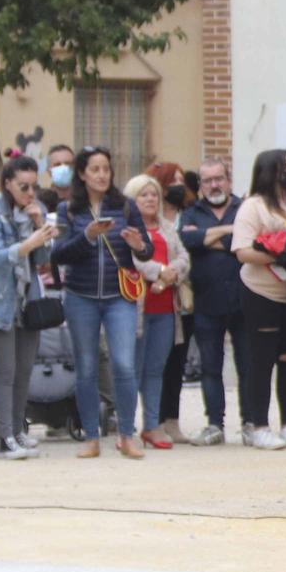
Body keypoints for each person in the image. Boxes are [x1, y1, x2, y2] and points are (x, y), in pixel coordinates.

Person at [51, 146, 149, 459]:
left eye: (106, 168)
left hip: (120, 296)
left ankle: (126, 435)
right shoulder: (69, 210)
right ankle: (92, 437)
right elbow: (59, 254)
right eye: (95, 169)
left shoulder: (126, 207)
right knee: (87, 368)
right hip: (80, 297)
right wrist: (88, 237)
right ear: (82, 174)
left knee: (123, 364)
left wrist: (139, 246)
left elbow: (145, 252)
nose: (102, 175)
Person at [232, 148, 286, 451]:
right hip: (262, 292)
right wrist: (277, 252)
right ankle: (258, 426)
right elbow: (242, 251)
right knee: (261, 360)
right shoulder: (253, 206)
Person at [0, 155, 57, 457]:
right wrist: (31, 241)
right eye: (24, 187)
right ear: (7, 184)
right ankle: (5, 437)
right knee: (5, 370)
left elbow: (45, 259)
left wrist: (39, 226)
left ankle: (18, 430)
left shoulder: (38, 210)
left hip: (27, 299)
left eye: (34, 186)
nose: (30, 193)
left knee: (23, 371)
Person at [179, 159, 245, 446]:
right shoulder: (190, 212)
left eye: (219, 178)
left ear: (229, 180)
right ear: (201, 184)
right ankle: (214, 424)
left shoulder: (245, 209)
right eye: (207, 180)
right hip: (206, 302)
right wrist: (228, 232)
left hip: (244, 301)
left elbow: (248, 243)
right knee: (209, 367)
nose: (214, 184)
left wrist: (207, 238)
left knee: (247, 366)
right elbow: (187, 240)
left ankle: (251, 422)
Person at [123, 174, 189, 450]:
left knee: (155, 371)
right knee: (132, 370)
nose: (150, 199)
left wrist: (173, 274)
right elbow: (134, 262)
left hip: (165, 310)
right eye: (143, 195)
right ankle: (126, 428)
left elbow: (184, 257)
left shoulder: (166, 227)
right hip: (136, 308)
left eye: (154, 195)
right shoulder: (127, 229)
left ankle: (152, 426)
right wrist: (162, 272)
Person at [146, 162, 196, 444]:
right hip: (152, 297)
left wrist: (174, 272)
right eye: (171, 181)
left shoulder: (189, 215)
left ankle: (172, 420)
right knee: (152, 364)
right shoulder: (144, 220)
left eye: (181, 179)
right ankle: (150, 420)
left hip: (183, 298)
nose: (178, 185)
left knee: (177, 361)